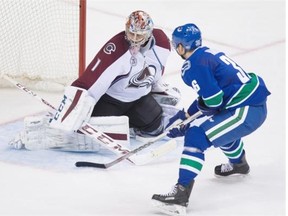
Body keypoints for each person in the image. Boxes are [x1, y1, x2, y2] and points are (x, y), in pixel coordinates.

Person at [10, 10, 181, 151]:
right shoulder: (116, 49)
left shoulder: (162, 43)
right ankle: (40, 130)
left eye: (139, 36)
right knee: (84, 131)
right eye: (131, 34)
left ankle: (129, 124)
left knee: (154, 126)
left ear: (149, 34)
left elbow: (156, 69)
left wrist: (157, 87)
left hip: (138, 99)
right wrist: (66, 115)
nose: (134, 39)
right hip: (111, 102)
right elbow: (88, 83)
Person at [151, 23, 271, 215]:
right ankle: (239, 164)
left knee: (196, 136)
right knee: (220, 130)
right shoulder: (207, 53)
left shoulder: (192, 66)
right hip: (250, 105)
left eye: (176, 45)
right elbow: (212, 95)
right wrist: (186, 116)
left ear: (181, 47)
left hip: (245, 111)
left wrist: (187, 124)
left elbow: (213, 101)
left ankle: (180, 195)